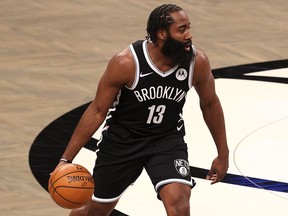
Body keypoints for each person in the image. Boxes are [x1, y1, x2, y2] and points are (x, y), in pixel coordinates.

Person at [53, 4, 229, 216]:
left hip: (166, 140)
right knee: (96, 210)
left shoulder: (196, 62)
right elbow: (98, 110)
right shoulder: (126, 63)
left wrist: (223, 153)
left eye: (188, 28)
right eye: (181, 30)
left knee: (179, 203)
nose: (189, 35)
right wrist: (66, 159)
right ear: (161, 34)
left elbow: (210, 104)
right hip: (122, 143)